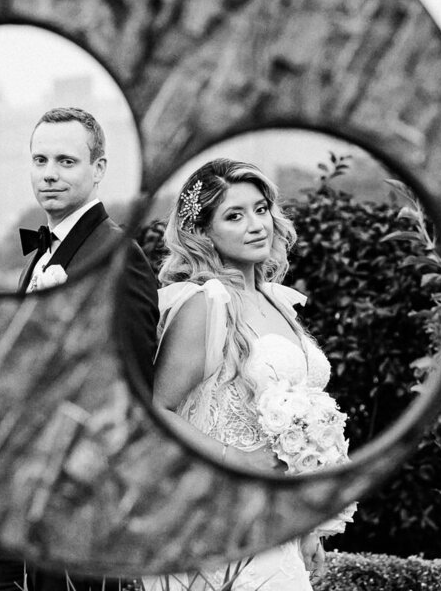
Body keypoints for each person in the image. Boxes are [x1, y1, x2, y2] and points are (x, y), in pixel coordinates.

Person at [0, 106, 160, 591]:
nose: (49, 173)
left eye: (67, 162)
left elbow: (133, 388)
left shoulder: (117, 256)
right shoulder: (39, 256)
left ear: (98, 170)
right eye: (40, 160)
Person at [148, 158, 351, 591]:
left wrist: (307, 526)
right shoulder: (206, 304)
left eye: (261, 209)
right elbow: (157, 410)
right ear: (203, 233)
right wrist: (234, 458)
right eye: (234, 216)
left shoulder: (278, 302)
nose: (257, 225)